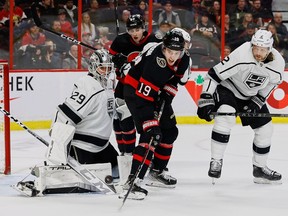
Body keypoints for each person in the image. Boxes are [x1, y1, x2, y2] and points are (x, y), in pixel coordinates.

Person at [14, 49, 119, 196]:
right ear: (93, 67)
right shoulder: (88, 86)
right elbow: (64, 115)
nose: (106, 72)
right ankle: (47, 176)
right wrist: (57, 151)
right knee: (74, 179)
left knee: (120, 170)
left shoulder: (108, 85)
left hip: (102, 146)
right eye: (103, 68)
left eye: (109, 68)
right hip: (83, 148)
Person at [197, 29, 285, 184]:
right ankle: (216, 161)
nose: (257, 52)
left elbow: (272, 83)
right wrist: (205, 97)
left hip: (251, 94)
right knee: (226, 116)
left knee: (266, 129)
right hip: (229, 89)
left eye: (262, 49)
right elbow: (213, 74)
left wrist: (258, 100)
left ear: (269, 49)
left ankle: (259, 168)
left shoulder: (278, 63)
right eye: (255, 48)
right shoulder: (242, 54)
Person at [118, 30, 190, 200]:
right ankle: (132, 181)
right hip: (135, 92)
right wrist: (150, 123)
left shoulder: (184, 58)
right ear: (164, 48)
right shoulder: (155, 63)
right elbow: (143, 99)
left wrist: (167, 92)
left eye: (176, 52)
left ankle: (156, 172)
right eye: (169, 52)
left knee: (170, 132)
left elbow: (174, 79)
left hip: (155, 91)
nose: (173, 56)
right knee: (150, 134)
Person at [109, 14, 161, 156]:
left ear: (143, 28)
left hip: (145, 88)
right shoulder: (120, 41)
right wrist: (115, 60)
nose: (134, 33)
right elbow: (109, 59)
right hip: (124, 86)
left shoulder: (154, 40)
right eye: (131, 30)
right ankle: (125, 153)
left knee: (148, 122)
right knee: (120, 120)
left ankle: (146, 153)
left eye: (137, 30)